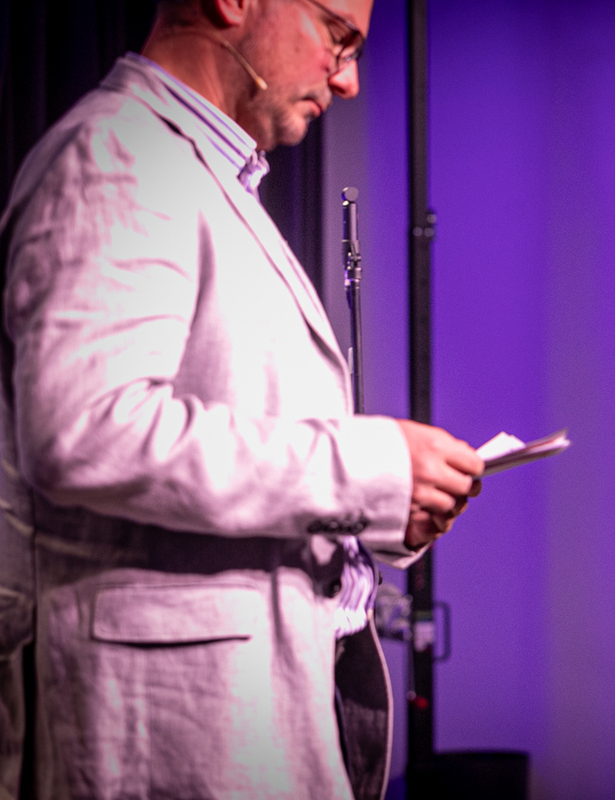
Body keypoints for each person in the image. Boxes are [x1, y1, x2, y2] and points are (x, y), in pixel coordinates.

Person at [0, 0, 485, 797]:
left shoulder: (194, 172)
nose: (348, 80)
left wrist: (384, 503)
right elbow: (85, 432)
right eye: (338, 37)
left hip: (236, 723)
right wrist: (367, 471)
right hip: (168, 737)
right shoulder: (122, 153)